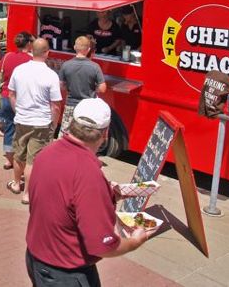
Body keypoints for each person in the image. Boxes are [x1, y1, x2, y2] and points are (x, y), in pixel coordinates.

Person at [26, 98, 155, 286]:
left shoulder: (47, 152)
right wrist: (135, 242)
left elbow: (59, 198)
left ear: (72, 123)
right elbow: (102, 246)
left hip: (37, 258)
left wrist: (108, 193)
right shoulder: (88, 173)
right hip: (65, 273)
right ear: (105, 133)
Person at [8, 38, 62, 204]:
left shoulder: (19, 70)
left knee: (19, 154)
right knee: (33, 160)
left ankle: (16, 184)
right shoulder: (51, 75)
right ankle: (27, 194)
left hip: (22, 120)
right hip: (41, 122)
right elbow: (56, 106)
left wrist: (18, 111)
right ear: (47, 53)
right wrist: (53, 125)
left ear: (31, 50)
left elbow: (11, 94)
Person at [0, 32, 33, 177]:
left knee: (9, 128)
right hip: (21, 99)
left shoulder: (7, 56)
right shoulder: (30, 60)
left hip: (5, 97)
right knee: (22, 132)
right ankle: (20, 161)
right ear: (28, 44)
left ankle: (9, 159)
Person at [58, 36, 107, 136]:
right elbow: (103, 88)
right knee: (84, 135)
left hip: (71, 105)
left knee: (64, 133)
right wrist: (93, 88)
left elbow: (61, 85)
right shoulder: (94, 66)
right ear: (88, 49)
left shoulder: (66, 65)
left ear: (75, 47)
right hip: (87, 107)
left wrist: (70, 86)